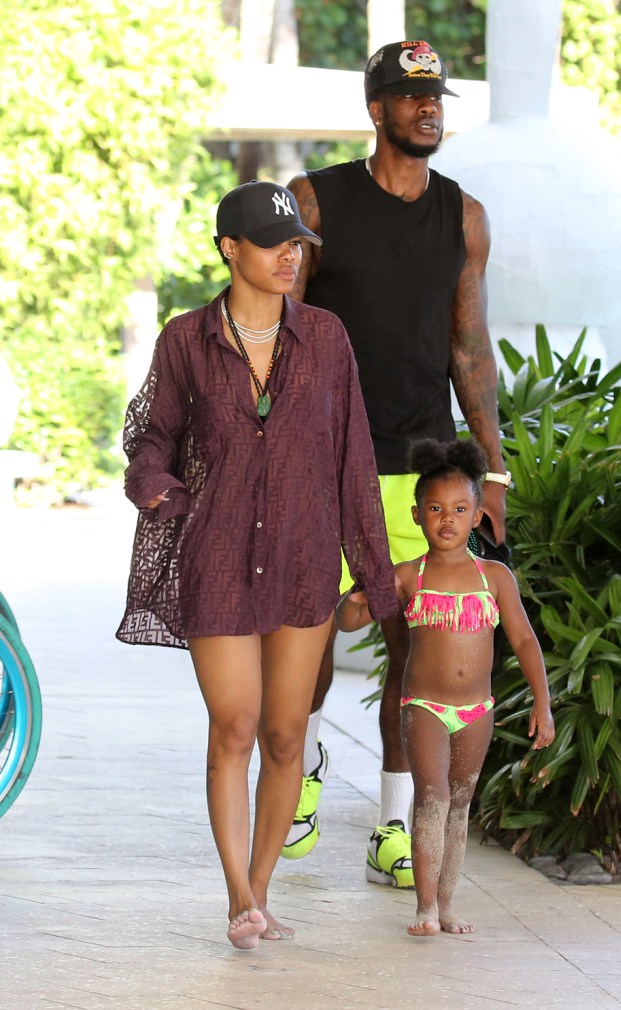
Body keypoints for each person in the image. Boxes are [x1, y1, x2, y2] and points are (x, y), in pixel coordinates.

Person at [116, 180, 399, 950]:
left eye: (296, 241)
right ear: (229, 249)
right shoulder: (185, 339)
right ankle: (237, 893)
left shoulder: (328, 340)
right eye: (273, 241)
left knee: (283, 736)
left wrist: (373, 573)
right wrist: (158, 487)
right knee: (234, 725)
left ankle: (263, 887)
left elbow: (354, 462)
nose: (290, 254)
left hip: (306, 563)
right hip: (217, 560)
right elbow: (151, 432)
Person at [282, 39, 510, 889]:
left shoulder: (464, 216)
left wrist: (493, 473)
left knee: (412, 656)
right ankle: (301, 777)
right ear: (376, 108)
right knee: (305, 645)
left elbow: (469, 347)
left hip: (416, 467)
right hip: (325, 464)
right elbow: (281, 331)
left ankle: (390, 827)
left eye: (436, 97)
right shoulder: (319, 200)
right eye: (412, 98)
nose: (429, 109)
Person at [336, 438, 555, 936]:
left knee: (460, 804)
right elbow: (348, 621)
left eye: (459, 509)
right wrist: (359, 594)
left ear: (478, 515)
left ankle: (449, 904)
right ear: (416, 516)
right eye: (435, 509)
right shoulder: (408, 575)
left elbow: (523, 639)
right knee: (431, 795)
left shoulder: (495, 577)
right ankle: (425, 907)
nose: (447, 519)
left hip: (477, 709)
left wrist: (542, 702)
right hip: (424, 707)